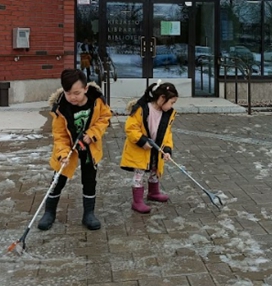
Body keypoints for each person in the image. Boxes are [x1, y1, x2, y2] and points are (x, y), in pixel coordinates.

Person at [38, 69, 112, 232]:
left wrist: (92, 134)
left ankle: (89, 213)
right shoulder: (60, 108)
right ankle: (49, 212)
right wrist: (62, 155)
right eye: (68, 93)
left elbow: (104, 118)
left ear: (85, 89)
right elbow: (59, 136)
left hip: (89, 147)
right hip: (68, 149)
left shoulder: (97, 101)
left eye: (77, 93)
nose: (72, 97)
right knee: (58, 180)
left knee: (89, 179)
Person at [120, 81, 179, 213]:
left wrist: (167, 149)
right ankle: (137, 201)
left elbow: (167, 133)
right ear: (162, 98)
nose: (171, 106)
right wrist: (141, 141)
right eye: (171, 102)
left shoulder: (167, 114)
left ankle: (153, 192)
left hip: (156, 148)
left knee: (154, 169)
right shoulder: (141, 109)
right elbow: (131, 128)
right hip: (140, 149)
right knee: (139, 174)